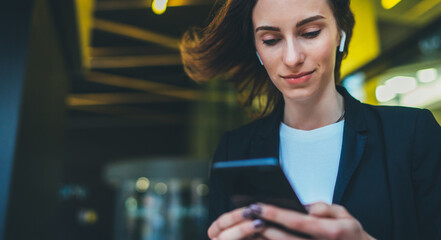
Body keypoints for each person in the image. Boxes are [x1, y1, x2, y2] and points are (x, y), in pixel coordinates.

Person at [180, 0, 441, 239]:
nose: (292, 58)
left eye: (310, 33)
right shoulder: (234, 150)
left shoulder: (412, 134)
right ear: (257, 49)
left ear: (341, 32)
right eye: (271, 40)